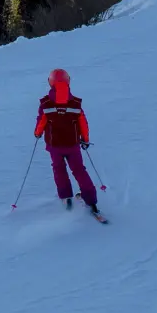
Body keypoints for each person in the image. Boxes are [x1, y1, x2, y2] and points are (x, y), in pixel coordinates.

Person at [33, 68, 102, 218]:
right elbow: (83, 122)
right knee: (79, 170)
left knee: (59, 170)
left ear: (50, 83)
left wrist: (37, 133)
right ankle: (91, 201)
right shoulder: (75, 103)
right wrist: (85, 139)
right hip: (73, 145)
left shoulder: (45, 103)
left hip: (54, 146)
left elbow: (41, 121)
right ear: (68, 82)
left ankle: (66, 197)